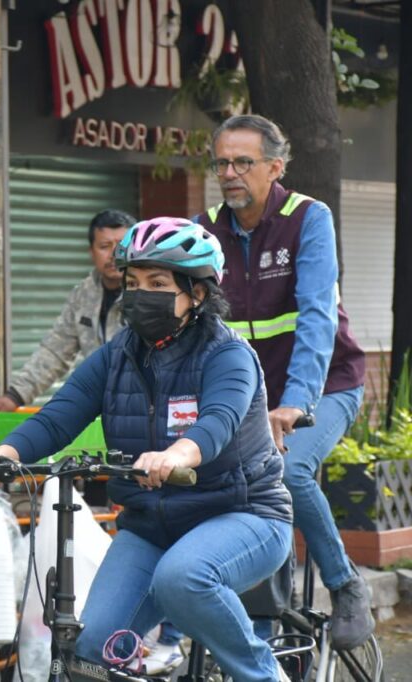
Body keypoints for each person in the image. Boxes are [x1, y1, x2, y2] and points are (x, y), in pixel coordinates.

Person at [0, 217, 294, 682]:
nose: (140, 294)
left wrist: (177, 455)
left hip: (245, 514)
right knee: (91, 653)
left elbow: (217, 422)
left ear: (196, 293)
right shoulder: (117, 355)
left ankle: (264, 675)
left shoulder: (228, 354)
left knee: (182, 578)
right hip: (151, 525)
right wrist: (4, 455)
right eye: (133, 282)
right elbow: (60, 416)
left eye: (158, 283)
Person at [197, 114, 372, 650]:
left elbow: (318, 317)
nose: (230, 173)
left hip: (325, 385)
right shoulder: (203, 230)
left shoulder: (307, 219)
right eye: (222, 162)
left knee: (290, 470)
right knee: (225, 489)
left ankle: (345, 585)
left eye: (243, 162)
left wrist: (295, 404)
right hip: (249, 398)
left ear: (275, 167)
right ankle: (263, 625)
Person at [0, 209, 135, 411]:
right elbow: (56, 350)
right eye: (104, 246)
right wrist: (15, 395)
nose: (113, 254)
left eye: (121, 246)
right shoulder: (83, 295)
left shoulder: (148, 294)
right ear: (91, 252)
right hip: (103, 408)